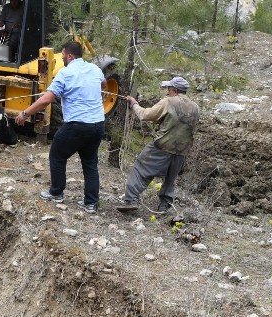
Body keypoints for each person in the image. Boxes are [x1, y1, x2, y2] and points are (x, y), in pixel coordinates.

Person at [15, 41, 105, 213]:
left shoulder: (65, 73)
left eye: (63, 54)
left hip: (77, 125)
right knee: (90, 163)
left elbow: (46, 100)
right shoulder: (95, 69)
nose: (62, 57)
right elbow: (103, 84)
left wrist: (25, 113)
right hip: (98, 125)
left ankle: (56, 192)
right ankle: (91, 203)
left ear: (70, 56)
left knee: (57, 155)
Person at [116, 76, 199, 214]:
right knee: (170, 179)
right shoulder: (195, 107)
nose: (167, 92)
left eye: (168, 89)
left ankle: (131, 200)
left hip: (162, 146)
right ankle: (165, 206)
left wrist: (134, 104)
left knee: (140, 168)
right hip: (182, 150)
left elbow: (145, 115)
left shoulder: (168, 101)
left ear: (174, 90)